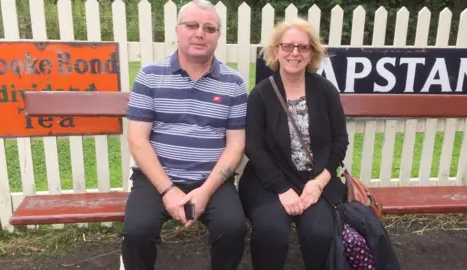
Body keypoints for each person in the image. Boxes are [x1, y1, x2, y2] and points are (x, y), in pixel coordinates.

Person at [121, 1, 248, 269]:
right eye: (192, 25)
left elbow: (236, 145)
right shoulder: (150, 76)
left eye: (209, 28)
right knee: (137, 232)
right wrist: (168, 191)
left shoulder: (233, 83)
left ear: (218, 36)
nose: (200, 33)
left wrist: (204, 192)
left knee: (233, 229)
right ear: (178, 30)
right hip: (157, 178)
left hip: (211, 178)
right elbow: (137, 140)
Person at [238, 18, 350, 270]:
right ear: (276, 51)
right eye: (287, 46)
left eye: (303, 47)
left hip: (314, 179)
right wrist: (282, 189)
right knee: (271, 232)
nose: (295, 53)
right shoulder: (261, 94)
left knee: (320, 232)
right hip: (268, 181)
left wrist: (320, 182)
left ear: (312, 53)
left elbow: (340, 140)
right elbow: (254, 147)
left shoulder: (326, 91)